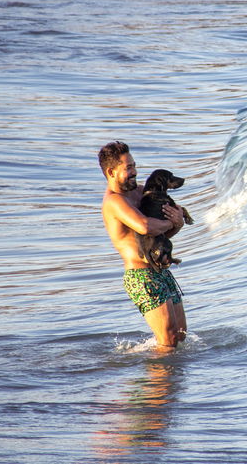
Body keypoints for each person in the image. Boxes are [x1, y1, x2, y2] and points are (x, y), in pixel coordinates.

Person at [99, 141, 187, 353]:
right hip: (141, 276)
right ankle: (158, 385)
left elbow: (162, 234)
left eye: (134, 166)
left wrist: (178, 223)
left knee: (180, 335)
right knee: (167, 340)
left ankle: (176, 383)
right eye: (128, 168)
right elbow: (145, 226)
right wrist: (172, 222)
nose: (135, 172)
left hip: (160, 271)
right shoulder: (114, 202)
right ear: (111, 172)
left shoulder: (140, 193)